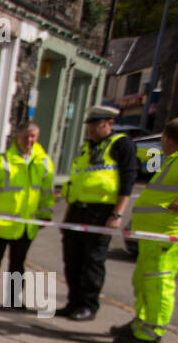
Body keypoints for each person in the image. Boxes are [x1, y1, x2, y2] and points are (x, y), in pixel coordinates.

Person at [111, 116, 178, 343]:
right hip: (155, 234)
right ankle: (140, 324)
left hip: (169, 234)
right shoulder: (177, 158)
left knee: (158, 284)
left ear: (166, 138)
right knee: (143, 281)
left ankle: (151, 335)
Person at [57, 106, 138, 321]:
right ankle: (73, 302)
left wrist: (117, 214)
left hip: (100, 212)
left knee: (93, 261)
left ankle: (88, 305)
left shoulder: (122, 145)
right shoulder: (87, 147)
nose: (91, 129)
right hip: (77, 210)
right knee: (72, 260)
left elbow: (127, 181)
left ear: (109, 123)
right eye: (89, 125)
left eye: (96, 124)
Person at [0, 121, 54, 309]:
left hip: (26, 225)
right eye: (26, 136)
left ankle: (13, 300)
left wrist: (45, 215)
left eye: (33, 136)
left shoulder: (44, 162)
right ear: (17, 136)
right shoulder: (1, 161)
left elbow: (46, 194)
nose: (30, 140)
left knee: (18, 265)